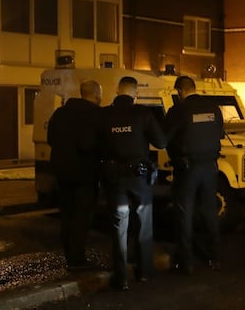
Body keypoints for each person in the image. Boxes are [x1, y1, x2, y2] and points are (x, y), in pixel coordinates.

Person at [96, 76, 167, 291]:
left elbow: (94, 144)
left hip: (114, 177)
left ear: (118, 91)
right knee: (143, 224)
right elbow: (161, 142)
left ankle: (121, 278)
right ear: (135, 94)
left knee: (119, 227)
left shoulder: (104, 115)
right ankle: (144, 272)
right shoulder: (143, 113)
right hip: (139, 177)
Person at [161, 75, 224, 274]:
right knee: (209, 212)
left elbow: (163, 139)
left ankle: (186, 262)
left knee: (184, 213)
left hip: (187, 169)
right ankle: (216, 257)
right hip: (211, 167)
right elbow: (219, 133)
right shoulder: (214, 108)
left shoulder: (178, 110)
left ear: (180, 91)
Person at [47, 79, 102, 271]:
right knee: (81, 216)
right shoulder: (96, 115)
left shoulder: (60, 113)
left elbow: (50, 138)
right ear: (96, 94)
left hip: (62, 173)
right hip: (85, 174)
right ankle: (77, 259)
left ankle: (69, 254)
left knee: (66, 215)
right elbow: (91, 144)